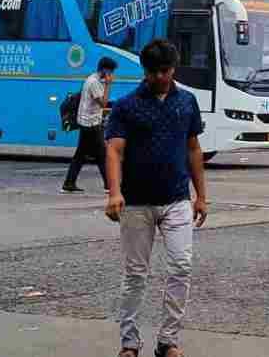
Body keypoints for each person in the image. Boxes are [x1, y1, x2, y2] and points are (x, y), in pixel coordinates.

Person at [104, 40, 207, 357]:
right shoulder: (126, 106)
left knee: (181, 266)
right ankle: (129, 343)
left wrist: (201, 196)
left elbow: (193, 149)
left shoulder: (187, 102)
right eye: (154, 72)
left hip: (177, 199)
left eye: (166, 70)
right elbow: (114, 150)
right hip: (136, 202)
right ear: (145, 71)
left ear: (174, 68)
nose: (161, 77)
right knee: (136, 274)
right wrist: (115, 192)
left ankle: (168, 341)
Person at [63, 56, 117, 193]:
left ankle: (69, 183)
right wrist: (109, 85)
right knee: (101, 154)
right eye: (111, 71)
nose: (112, 75)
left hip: (89, 121)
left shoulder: (95, 80)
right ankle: (109, 185)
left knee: (83, 154)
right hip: (90, 123)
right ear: (104, 70)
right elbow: (103, 103)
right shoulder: (94, 82)